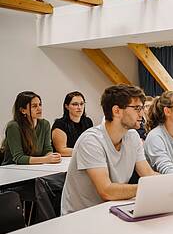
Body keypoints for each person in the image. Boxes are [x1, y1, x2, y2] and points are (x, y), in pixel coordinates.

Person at [61, 84, 157, 215]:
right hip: (82, 217)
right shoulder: (91, 141)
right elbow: (106, 191)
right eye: (137, 108)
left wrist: (172, 183)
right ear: (116, 111)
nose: (142, 113)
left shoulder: (132, 136)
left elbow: (148, 174)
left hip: (111, 210)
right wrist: (148, 187)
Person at [2, 91, 61, 165]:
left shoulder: (45, 124)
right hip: (12, 169)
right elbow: (18, 158)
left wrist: (52, 156)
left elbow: (47, 149)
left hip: (36, 168)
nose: (39, 108)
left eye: (40, 104)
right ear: (23, 110)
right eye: (34, 106)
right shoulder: (13, 126)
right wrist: (46, 159)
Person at [52, 91, 93, 157]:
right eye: (75, 104)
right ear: (67, 106)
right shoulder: (60, 124)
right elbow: (61, 151)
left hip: (83, 158)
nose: (79, 107)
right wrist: (86, 151)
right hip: (64, 160)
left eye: (82, 104)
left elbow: (90, 144)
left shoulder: (88, 121)